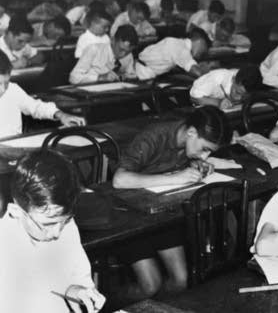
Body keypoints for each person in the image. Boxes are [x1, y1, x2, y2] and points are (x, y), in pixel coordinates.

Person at [111, 107, 231, 299]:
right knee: (150, 285)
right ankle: (105, 304)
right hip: (130, 218)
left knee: (180, 281)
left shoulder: (188, 141)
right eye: (205, 149)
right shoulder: (154, 136)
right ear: (191, 132)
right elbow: (120, 180)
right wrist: (176, 178)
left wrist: (195, 164)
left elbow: (173, 163)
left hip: (161, 214)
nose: (205, 156)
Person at [0, 150, 106, 313]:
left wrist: (76, 290)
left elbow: (75, 275)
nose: (56, 233)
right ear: (16, 211)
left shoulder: (63, 225)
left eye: (64, 221)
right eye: (47, 225)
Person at [0, 51, 84, 138]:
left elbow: (36, 107)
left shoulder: (12, 89)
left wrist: (61, 115)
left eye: (6, 83)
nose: (3, 89)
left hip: (15, 146)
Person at [70, 25, 138, 84]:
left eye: (128, 52)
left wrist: (128, 77)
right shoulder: (94, 50)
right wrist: (100, 78)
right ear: (113, 40)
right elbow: (73, 77)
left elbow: (130, 74)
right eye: (121, 49)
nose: (123, 55)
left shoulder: (128, 55)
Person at [137, 27, 213, 79]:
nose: (201, 54)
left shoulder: (177, 42)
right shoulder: (181, 49)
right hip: (143, 74)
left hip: (143, 70)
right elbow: (198, 73)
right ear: (199, 41)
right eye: (203, 50)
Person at [190, 66, 261, 109]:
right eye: (237, 92)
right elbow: (194, 97)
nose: (239, 98)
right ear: (233, 79)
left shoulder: (252, 82)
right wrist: (218, 103)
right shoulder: (216, 78)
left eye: (244, 96)